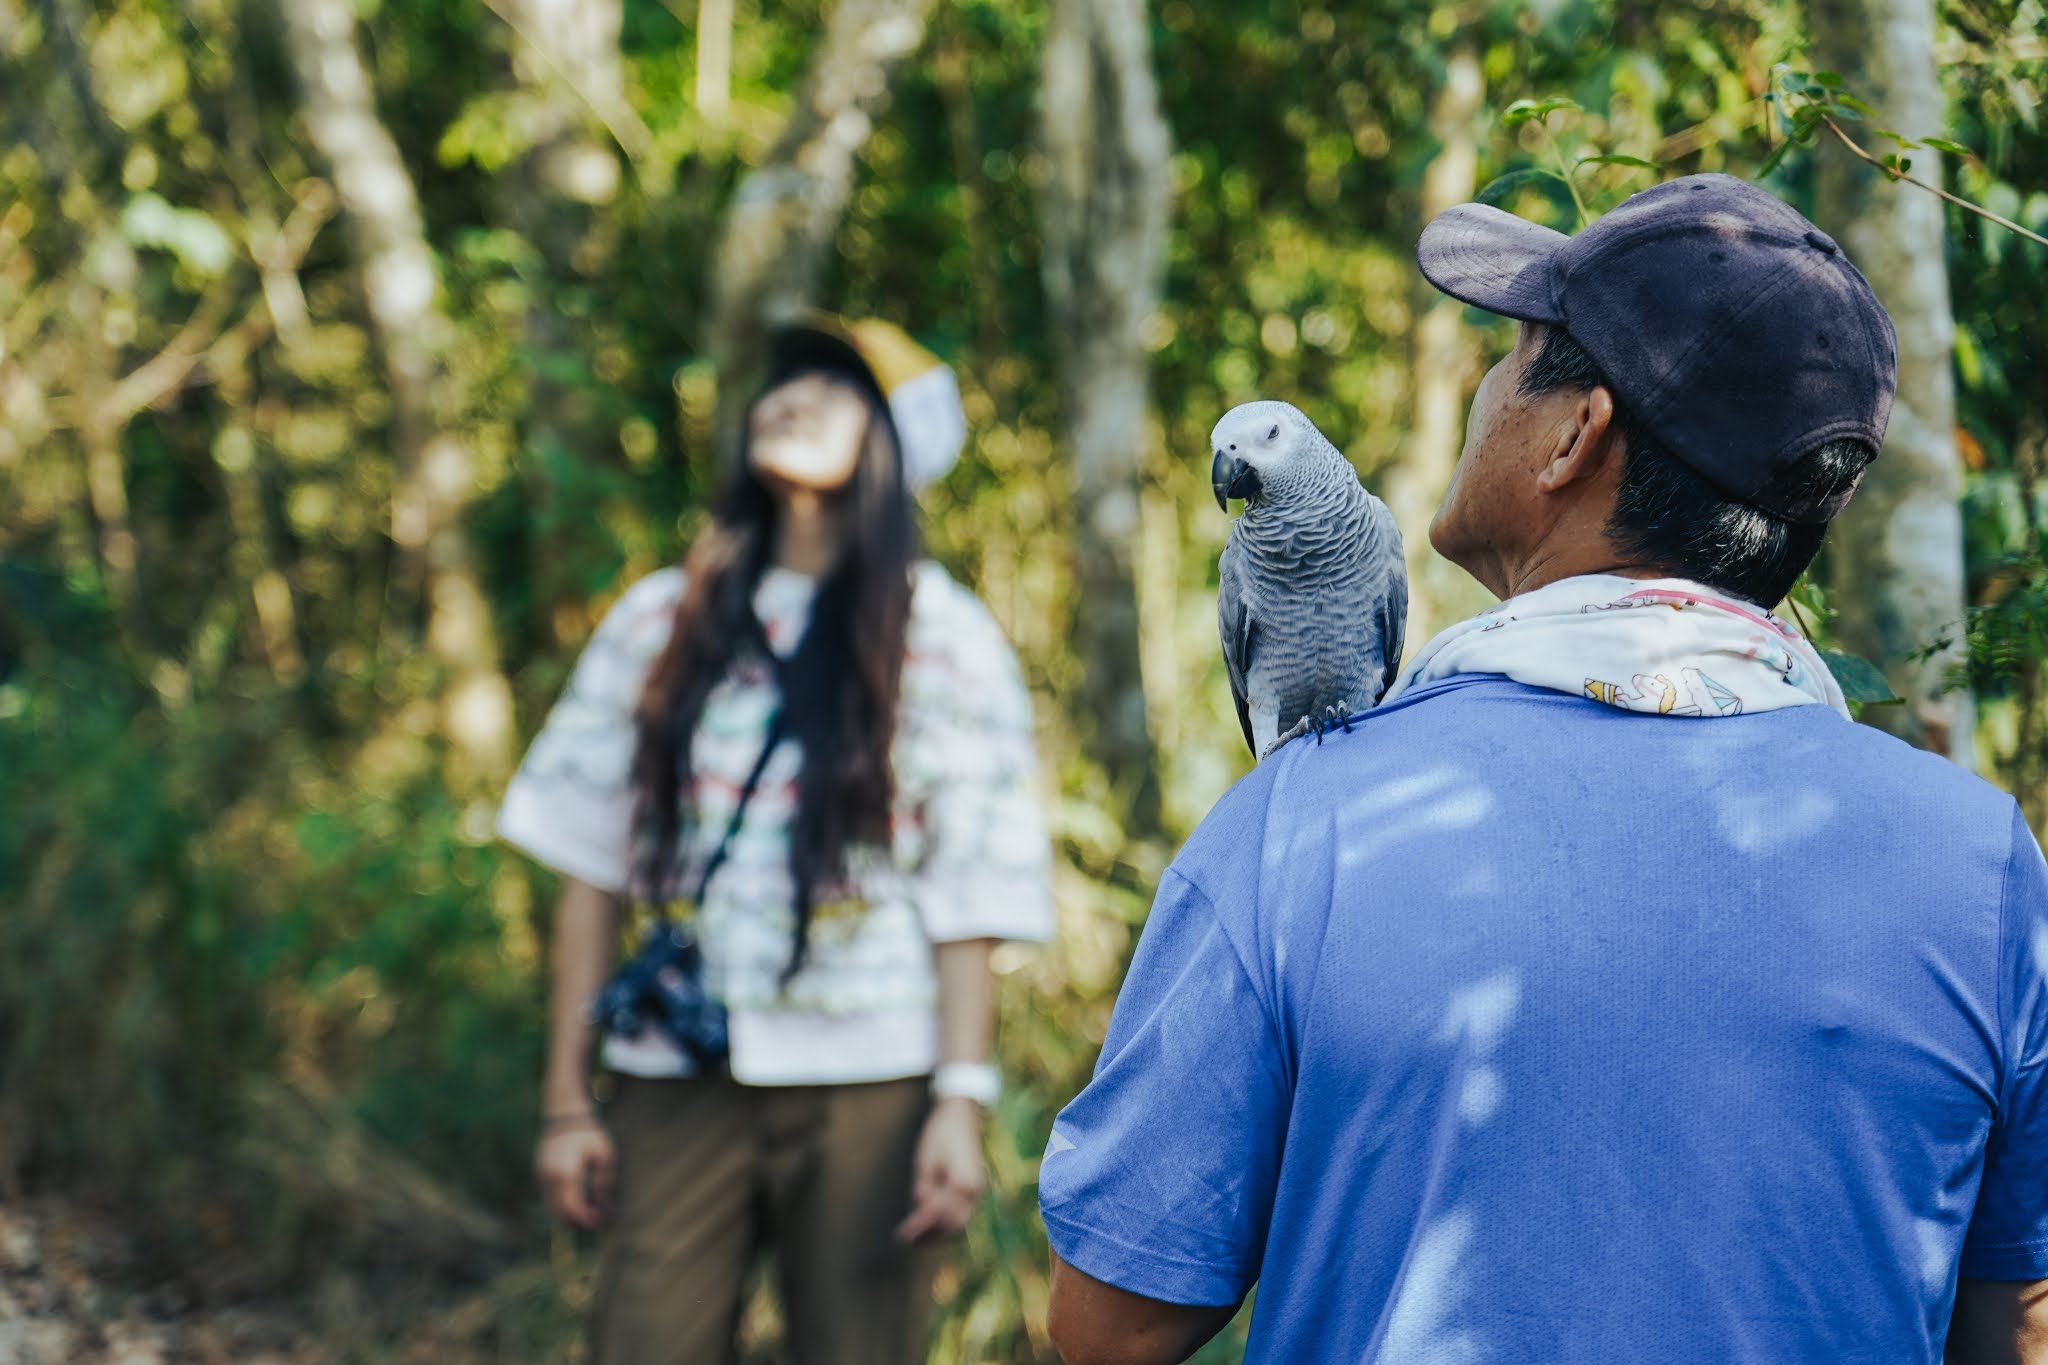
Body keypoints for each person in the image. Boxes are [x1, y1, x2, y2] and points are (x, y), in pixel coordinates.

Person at [1039, 175, 2048, 1363]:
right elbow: (2015, 1322)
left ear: (1576, 435)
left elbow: (1110, 1324)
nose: (1479, 389)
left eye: (1513, 355)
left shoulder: (1307, 826)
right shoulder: (1980, 860)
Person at [498, 316, 1053, 1365]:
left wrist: (958, 1104)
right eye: (782, 383)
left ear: (891, 446)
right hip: (677, 1070)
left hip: (872, 1082)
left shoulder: (942, 636)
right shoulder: (660, 619)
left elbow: (968, 891)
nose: (787, 399)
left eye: (833, 390)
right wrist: (567, 1103)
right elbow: (589, 867)